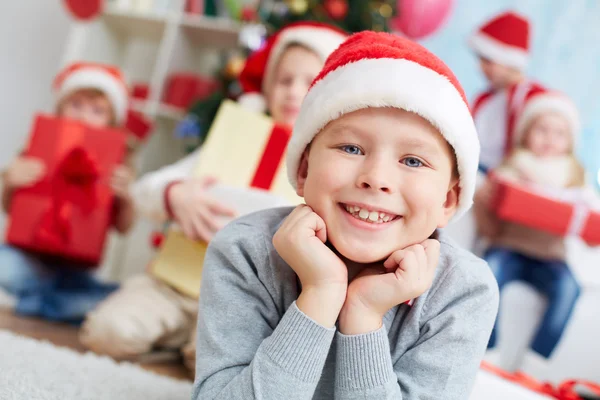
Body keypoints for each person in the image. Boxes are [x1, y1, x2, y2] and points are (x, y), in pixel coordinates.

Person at [192, 31, 499, 399]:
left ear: (448, 201)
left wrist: (364, 315)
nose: (376, 179)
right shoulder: (244, 250)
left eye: (413, 161)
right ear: (303, 171)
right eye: (351, 147)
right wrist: (320, 295)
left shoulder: (464, 290)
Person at [79, 22, 347, 372]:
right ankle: (170, 338)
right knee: (107, 334)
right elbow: (148, 187)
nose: (294, 92)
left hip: (243, 305)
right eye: (284, 81)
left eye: (308, 83)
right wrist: (175, 195)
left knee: (214, 367)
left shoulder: (330, 167)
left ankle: (183, 346)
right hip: (173, 284)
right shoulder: (234, 136)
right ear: (267, 87)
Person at [0, 62, 135, 323]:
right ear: (59, 108)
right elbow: (8, 208)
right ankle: (61, 305)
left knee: (116, 298)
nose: (84, 116)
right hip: (29, 258)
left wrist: (126, 198)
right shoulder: (35, 149)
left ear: (112, 121)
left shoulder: (118, 166)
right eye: (76, 105)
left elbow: (123, 227)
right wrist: (9, 181)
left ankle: (38, 302)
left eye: (97, 111)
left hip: (76, 268)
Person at [474, 90, 587, 376]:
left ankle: (535, 363)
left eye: (559, 133)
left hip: (550, 257)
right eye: (542, 129)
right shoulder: (511, 168)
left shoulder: (576, 179)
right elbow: (488, 221)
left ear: (570, 141)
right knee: (490, 273)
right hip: (509, 248)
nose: (550, 139)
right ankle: (490, 351)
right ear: (526, 133)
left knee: (569, 288)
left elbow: (588, 225)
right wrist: (488, 199)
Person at [469, 11, 545, 174]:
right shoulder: (484, 98)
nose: (480, 68)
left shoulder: (535, 100)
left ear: (509, 61)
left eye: (488, 61)